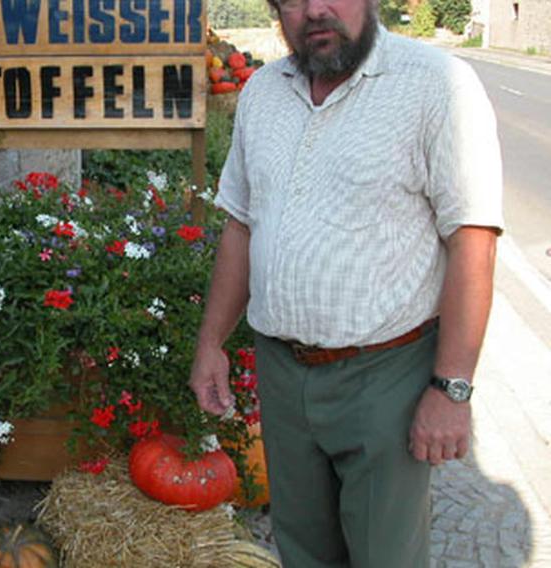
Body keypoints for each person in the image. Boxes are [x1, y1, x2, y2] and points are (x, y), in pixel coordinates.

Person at [188, 0, 503, 565]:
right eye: (293, 0)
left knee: (386, 556)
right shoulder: (262, 92)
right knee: (303, 550)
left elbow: (473, 241)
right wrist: (212, 343)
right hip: (282, 373)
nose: (316, 10)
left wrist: (451, 388)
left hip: (388, 378)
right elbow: (241, 223)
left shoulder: (437, 86)